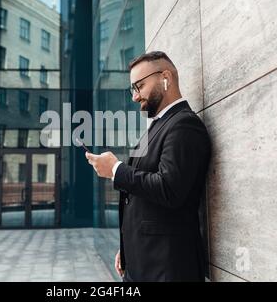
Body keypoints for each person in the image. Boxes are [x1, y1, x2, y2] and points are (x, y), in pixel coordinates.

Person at [85, 51, 211, 282]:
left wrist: (116, 169)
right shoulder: (159, 126)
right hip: (143, 263)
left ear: (166, 78)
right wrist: (128, 249)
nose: (135, 96)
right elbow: (143, 199)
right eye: (133, 88)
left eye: (139, 86)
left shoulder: (184, 125)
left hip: (167, 269)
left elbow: (169, 188)